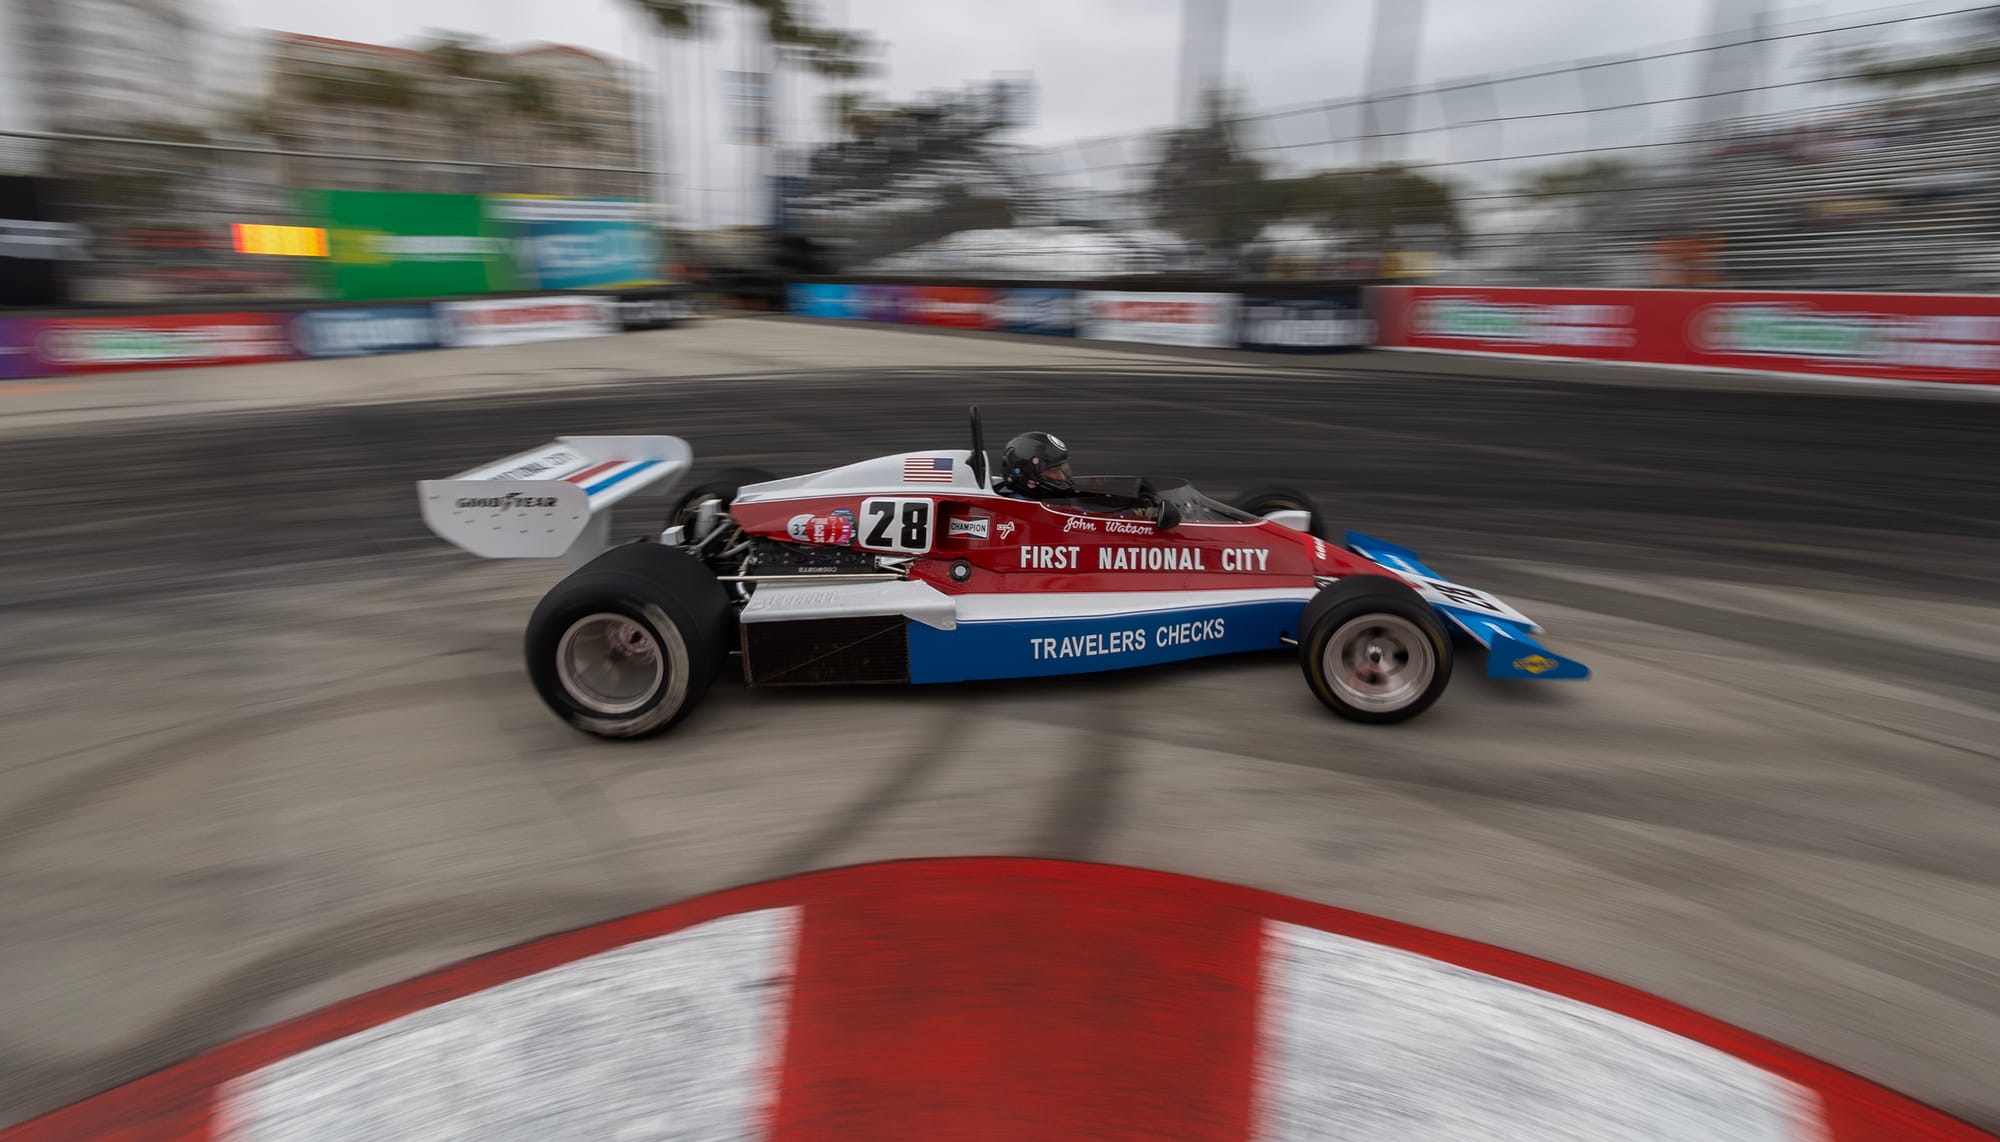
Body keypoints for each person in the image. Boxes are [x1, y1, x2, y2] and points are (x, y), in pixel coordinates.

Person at [996, 432, 1076, 500]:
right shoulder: (1018, 510)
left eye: (1062, 469)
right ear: (1026, 472)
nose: (1062, 477)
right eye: (1052, 471)